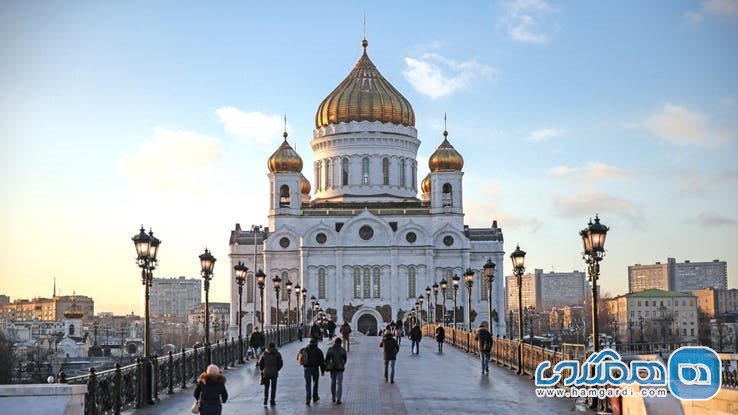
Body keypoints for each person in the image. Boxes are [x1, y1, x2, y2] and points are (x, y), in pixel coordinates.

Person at [300, 337, 325, 405]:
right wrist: (322, 370)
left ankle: (308, 399)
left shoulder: (305, 349)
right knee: (315, 383)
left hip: (306, 369)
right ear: (316, 343)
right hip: (315, 368)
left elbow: (299, 357)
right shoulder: (318, 351)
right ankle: (315, 396)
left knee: (308, 384)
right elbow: (322, 362)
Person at [325, 337, 348, 404]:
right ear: (340, 343)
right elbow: (345, 359)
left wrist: (329, 364)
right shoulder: (343, 350)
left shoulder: (330, 349)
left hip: (332, 369)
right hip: (340, 369)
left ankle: (333, 397)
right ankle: (339, 399)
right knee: (339, 384)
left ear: (335, 342)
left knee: (333, 383)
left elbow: (327, 359)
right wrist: (342, 364)